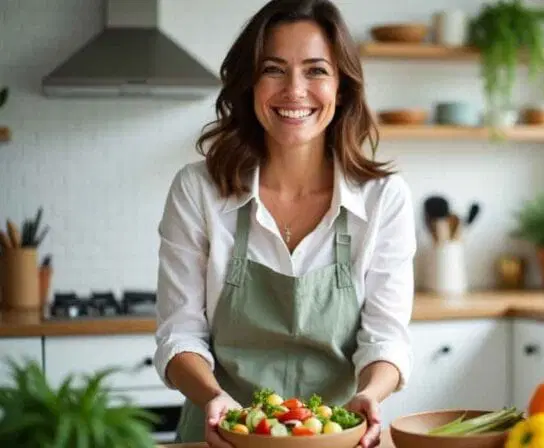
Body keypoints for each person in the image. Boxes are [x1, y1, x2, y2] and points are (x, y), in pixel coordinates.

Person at [152, 0, 416, 447]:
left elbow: (386, 340)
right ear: (249, 84)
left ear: (342, 87)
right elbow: (179, 335)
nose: (295, 90)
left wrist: (370, 394)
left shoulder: (384, 198)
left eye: (316, 70)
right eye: (274, 69)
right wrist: (215, 399)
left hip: (336, 438)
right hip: (222, 436)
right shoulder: (198, 190)